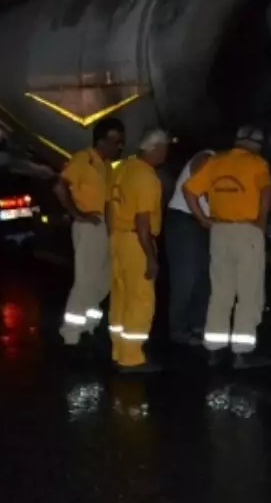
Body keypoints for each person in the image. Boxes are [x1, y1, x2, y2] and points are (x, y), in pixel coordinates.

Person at [182, 125, 271, 369]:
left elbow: (188, 190)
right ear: (254, 144)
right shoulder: (258, 164)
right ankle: (242, 354)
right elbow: (265, 194)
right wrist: (261, 224)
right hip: (247, 231)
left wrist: (203, 218)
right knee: (248, 293)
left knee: (221, 292)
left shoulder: (216, 162)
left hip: (219, 231)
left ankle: (214, 349)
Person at [54, 117, 124, 346]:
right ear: (101, 141)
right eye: (115, 141)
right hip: (87, 226)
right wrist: (78, 214)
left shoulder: (105, 166)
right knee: (85, 280)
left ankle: (89, 324)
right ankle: (71, 334)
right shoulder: (83, 160)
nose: (119, 146)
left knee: (103, 279)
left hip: (102, 225)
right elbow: (59, 186)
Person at [106, 128, 170, 374]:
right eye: (164, 149)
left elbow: (110, 206)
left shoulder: (121, 168)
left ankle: (118, 351)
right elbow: (142, 222)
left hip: (116, 239)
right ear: (154, 149)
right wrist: (151, 257)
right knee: (141, 300)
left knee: (120, 298)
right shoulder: (147, 178)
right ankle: (131, 358)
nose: (166, 154)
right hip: (136, 242)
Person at [164, 147, 214, 347]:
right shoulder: (207, 156)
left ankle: (197, 325)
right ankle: (179, 330)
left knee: (203, 276)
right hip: (185, 218)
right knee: (186, 277)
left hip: (203, 221)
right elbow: (196, 184)